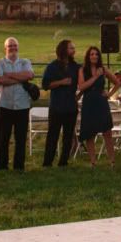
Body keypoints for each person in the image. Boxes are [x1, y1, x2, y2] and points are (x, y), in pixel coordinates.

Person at [77, 45, 121, 167]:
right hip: (89, 102)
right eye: (92, 54)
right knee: (89, 133)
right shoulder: (82, 70)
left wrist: (109, 93)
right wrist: (96, 76)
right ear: (88, 56)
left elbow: (117, 82)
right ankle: (93, 161)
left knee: (107, 131)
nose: (94, 56)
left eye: (96, 54)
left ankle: (112, 161)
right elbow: (81, 87)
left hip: (101, 102)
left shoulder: (103, 69)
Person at [0, 37, 34, 171]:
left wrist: (9, 75)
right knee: (3, 138)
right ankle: (2, 165)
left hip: (22, 106)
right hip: (5, 105)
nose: (13, 48)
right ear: (5, 48)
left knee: (21, 139)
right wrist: (20, 78)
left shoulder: (25, 62)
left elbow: (29, 75)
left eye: (15, 45)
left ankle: (19, 166)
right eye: (10, 46)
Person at [40, 39, 79, 167]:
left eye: (73, 48)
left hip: (71, 107)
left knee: (68, 136)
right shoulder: (52, 66)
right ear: (63, 50)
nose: (74, 50)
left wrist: (78, 95)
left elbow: (84, 83)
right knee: (53, 135)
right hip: (57, 106)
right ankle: (47, 162)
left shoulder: (76, 67)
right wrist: (61, 82)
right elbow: (45, 85)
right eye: (71, 48)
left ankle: (63, 161)